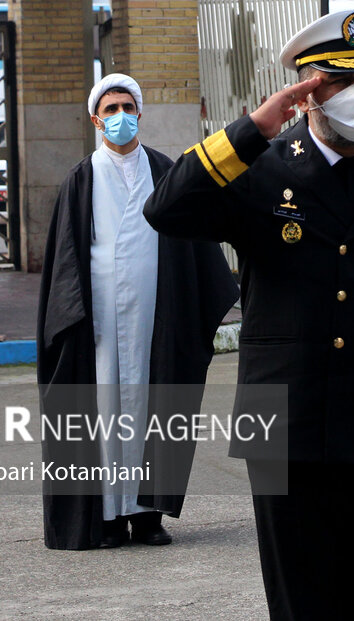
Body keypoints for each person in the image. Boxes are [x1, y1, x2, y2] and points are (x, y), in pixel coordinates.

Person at [144, 8, 354, 620]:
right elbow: (165, 209)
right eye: (340, 81)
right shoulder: (261, 167)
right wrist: (252, 128)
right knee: (301, 600)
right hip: (284, 421)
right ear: (306, 92)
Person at [36, 74, 239, 550]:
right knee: (103, 408)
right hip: (100, 321)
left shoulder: (166, 170)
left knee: (158, 406)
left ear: (140, 113)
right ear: (95, 120)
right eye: (110, 109)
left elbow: (195, 238)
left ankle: (148, 515)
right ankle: (108, 516)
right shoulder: (81, 179)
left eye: (128, 107)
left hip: (158, 313)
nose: (120, 117)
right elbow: (65, 257)